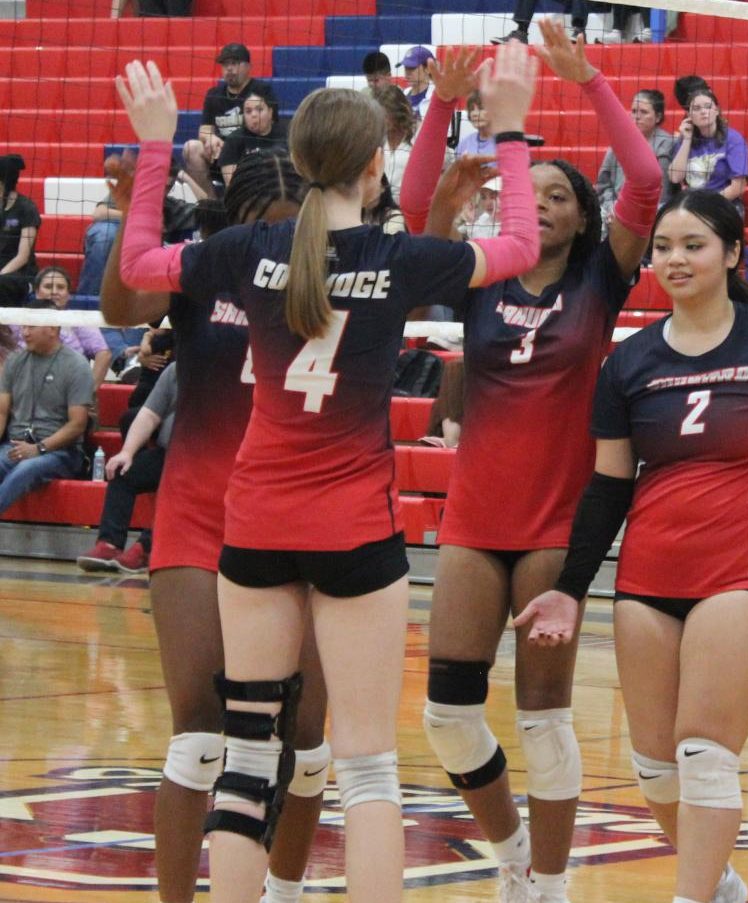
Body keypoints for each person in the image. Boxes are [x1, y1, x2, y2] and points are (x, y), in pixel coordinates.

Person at [113, 45, 540, 903]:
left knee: (242, 756)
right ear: (372, 161)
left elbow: (133, 271)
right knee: (368, 767)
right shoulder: (405, 261)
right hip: (353, 531)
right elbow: (523, 243)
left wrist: (158, 144)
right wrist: (511, 128)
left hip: (254, 527)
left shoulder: (244, 248)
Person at [515, 189, 748, 903]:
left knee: (704, 756)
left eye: (692, 244)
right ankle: (718, 884)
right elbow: (606, 487)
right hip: (650, 569)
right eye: (662, 246)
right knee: (655, 770)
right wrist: (571, 585)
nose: (673, 258)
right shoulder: (627, 362)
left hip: (747, 563)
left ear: (730, 253)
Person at [398, 22, 661, 903]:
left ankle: (548, 883)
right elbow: (413, 218)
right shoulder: (482, 274)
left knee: (543, 717)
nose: (542, 203)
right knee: (445, 716)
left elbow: (650, 183)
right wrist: (440, 103)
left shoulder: (600, 280)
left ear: (583, 217)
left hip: (557, 519)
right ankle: (509, 846)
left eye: (559, 194)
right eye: (532, 191)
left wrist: (588, 82)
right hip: (475, 515)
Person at [98, 149, 329, 903]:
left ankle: (283, 893)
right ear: (239, 223)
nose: (281, 244)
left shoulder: (338, 281)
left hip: (300, 519)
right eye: (269, 228)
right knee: (199, 736)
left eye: (296, 230)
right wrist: (138, 202)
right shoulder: (206, 269)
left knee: (306, 744)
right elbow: (121, 309)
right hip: (201, 510)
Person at [76, 360, 179, 575]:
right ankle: (110, 544)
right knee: (123, 473)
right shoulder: (176, 369)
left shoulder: (226, 372)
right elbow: (149, 414)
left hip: (206, 459)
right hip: (169, 452)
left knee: (182, 484)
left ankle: (146, 546)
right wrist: (127, 452)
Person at [0, 305, 93, 516]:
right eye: (24, 326)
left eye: (31, 326)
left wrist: (39, 448)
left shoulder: (77, 366)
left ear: (52, 328)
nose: (24, 332)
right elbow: (1, 412)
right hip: (15, 446)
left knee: (26, 469)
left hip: (60, 452)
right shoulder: (14, 362)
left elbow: (77, 424)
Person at [183, 43, 278, 194]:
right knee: (191, 148)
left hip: (250, 153)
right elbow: (204, 130)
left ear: (248, 66)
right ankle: (211, 205)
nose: (229, 69)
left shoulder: (261, 90)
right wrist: (211, 138)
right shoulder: (214, 94)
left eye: (234, 63)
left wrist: (235, 146)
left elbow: (270, 127)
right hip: (220, 155)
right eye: (225, 64)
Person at [24, 266, 114, 388]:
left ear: (68, 295)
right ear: (36, 292)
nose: (54, 292)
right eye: (48, 287)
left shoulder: (78, 320)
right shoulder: (18, 319)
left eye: (60, 287)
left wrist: (88, 392)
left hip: (68, 389)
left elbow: (104, 354)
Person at [595, 89, 675, 224]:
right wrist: (611, 205)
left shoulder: (667, 144)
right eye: (633, 111)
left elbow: (665, 190)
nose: (637, 116)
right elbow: (604, 184)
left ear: (658, 117)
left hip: (657, 210)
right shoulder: (618, 143)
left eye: (643, 112)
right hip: (618, 208)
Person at [670, 88, 748, 207]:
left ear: (716, 110)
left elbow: (738, 187)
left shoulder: (734, 139)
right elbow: (675, 177)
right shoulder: (685, 140)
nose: (703, 111)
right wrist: (686, 140)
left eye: (707, 106)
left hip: (725, 204)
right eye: (696, 108)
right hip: (693, 204)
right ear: (689, 115)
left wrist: (707, 205)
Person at [219, 91, 288, 186]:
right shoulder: (233, 140)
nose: (253, 115)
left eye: (259, 109)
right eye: (248, 111)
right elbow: (232, 186)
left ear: (270, 112)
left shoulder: (287, 134)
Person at [0, 154, 39, 308]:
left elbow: (22, 257)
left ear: (3, 184)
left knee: (2, 284)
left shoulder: (26, 208)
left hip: (19, 273)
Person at [374, 84, 417, 203]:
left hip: (410, 206)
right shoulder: (377, 140)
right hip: (381, 208)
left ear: (397, 112)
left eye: (386, 114)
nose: (382, 119)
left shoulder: (417, 138)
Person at [401, 45, 435, 118]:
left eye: (412, 68)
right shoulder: (401, 96)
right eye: (406, 68)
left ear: (428, 69)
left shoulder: (437, 97)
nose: (407, 72)